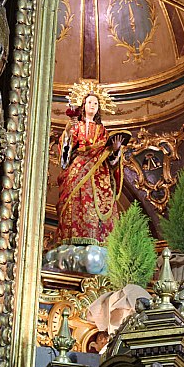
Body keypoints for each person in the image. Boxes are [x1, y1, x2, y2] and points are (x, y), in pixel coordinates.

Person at [55, 82, 125, 246]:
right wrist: (68, 131)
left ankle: (96, 238)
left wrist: (115, 150)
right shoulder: (76, 126)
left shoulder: (102, 131)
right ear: (83, 105)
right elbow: (66, 150)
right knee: (75, 199)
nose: (92, 105)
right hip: (78, 167)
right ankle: (73, 237)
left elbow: (109, 158)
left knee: (96, 203)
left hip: (99, 172)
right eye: (90, 102)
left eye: (95, 103)